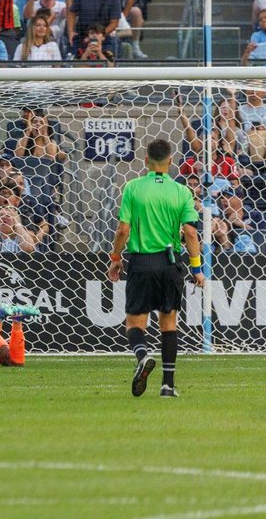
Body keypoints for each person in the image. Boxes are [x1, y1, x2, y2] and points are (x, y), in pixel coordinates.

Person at [108, 138, 203, 399]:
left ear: (146, 161)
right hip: (170, 263)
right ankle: (167, 387)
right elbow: (191, 233)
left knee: (135, 322)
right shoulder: (182, 192)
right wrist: (196, 268)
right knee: (168, 324)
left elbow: (123, 229)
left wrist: (116, 257)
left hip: (140, 261)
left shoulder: (133, 188)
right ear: (171, 162)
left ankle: (142, 356)